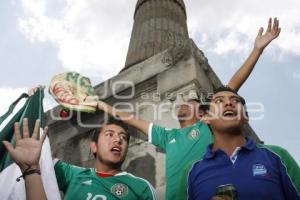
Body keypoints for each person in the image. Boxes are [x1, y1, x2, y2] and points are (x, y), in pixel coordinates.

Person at [97, 18, 281, 199]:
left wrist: (257, 50)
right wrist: (100, 104)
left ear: (204, 114)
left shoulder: (206, 127)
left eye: (190, 101)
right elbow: (129, 118)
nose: (183, 103)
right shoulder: (168, 136)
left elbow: (230, 88)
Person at [186, 86, 300, 200]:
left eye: (236, 100)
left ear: (246, 117)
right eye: (219, 100)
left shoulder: (277, 155)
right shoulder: (191, 171)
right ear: (206, 117)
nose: (229, 103)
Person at [2, 117, 158, 200]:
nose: (117, 140)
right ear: (94, 146)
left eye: (123, 137)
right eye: (109, 135)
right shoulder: (73, 175)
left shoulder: (141, 188)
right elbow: (41, 164)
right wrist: (30, 169)